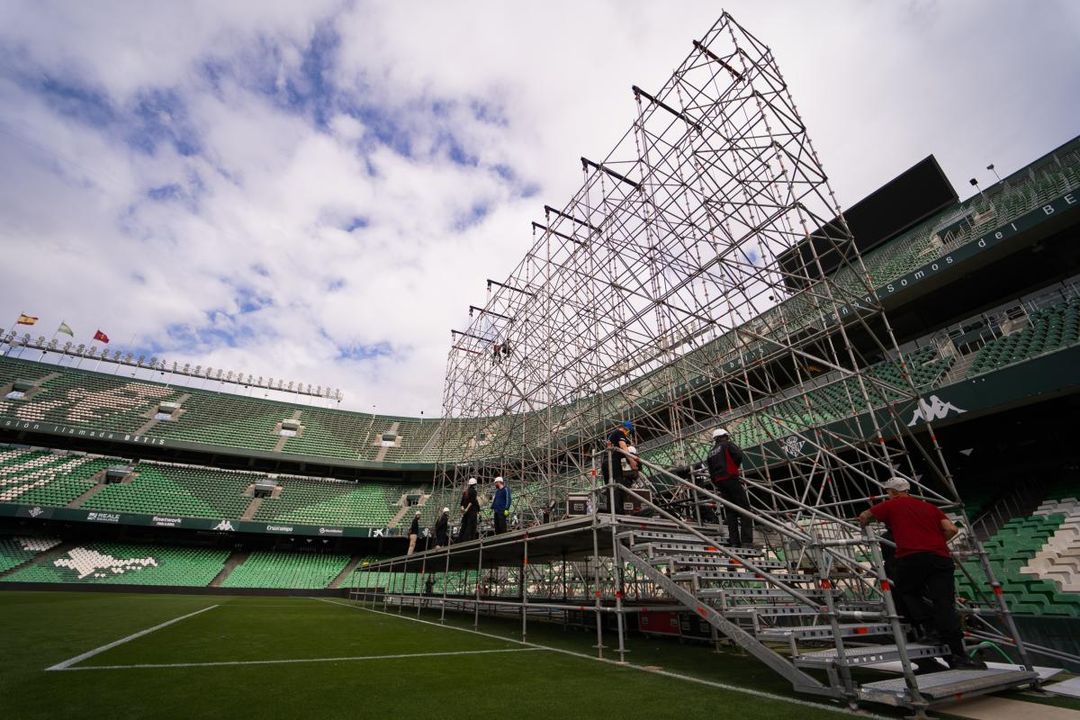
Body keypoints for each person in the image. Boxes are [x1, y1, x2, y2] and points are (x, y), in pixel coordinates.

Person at [858, 477, 981, 669]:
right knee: (945, 604)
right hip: (940, 557)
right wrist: (935, 541)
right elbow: (951, 529)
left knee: (905, 591)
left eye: (888, 491)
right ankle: (959, 655)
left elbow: (865, 515)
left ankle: (928, 628)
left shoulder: (892, 505)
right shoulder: (930, 507)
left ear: (893, 492)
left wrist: (864, 528)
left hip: (911, 556)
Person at [705, 428, 753, 547]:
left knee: (731, 511)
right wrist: (734, 468)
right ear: (724, 436)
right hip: (730, 478)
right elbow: (738, 455)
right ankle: (746, 541)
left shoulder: (711, 452)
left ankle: (734, 541)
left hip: (720, 482)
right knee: (745, 509)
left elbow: (711, 471)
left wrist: (717, 482)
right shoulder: (727, 445)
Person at [601, 421, 637, 514]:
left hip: (606, 463)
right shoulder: (620, 433)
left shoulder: (611, 436)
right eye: (629, 432)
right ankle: (619, 511)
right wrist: (632, 460)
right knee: (618, 485)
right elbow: (623, 446)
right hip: (613, 462)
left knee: (610, 486)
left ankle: (612, 511)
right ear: (627, 430)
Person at [457, 478, 479, 542]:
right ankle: (468, 540)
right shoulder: (474, 491)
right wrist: (466, 509)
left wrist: (463, 508)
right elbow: (471, 502)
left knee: (464, 525)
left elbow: (462, 502)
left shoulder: (465, 492)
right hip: (471, 511)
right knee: (471, 526)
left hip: (465, 513)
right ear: (475, 484)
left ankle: (460, 540)